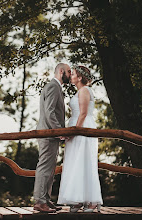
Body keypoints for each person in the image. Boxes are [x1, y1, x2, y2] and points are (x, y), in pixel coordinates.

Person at [57, 65, 103, 213]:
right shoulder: (80, 91)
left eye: (74, 74)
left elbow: (83, 113)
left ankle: (91, 201)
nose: (71, 76)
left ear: (80, 77)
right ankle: (77, 199)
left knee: (84, 161)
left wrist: (74, 131)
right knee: (75, 162)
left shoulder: (84, 91)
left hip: (82, 128)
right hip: (76, 127)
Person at [33, 63, 71, 213]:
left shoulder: (56, 87)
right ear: (61, 71)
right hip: (48, 133)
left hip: (51, 134)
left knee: (50, 168)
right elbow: (49, 112)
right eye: (68, 71)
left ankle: (46, 200)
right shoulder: (53, 86)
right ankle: (40, 201)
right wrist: (58, 131)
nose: (69, 74)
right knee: (44, 166)